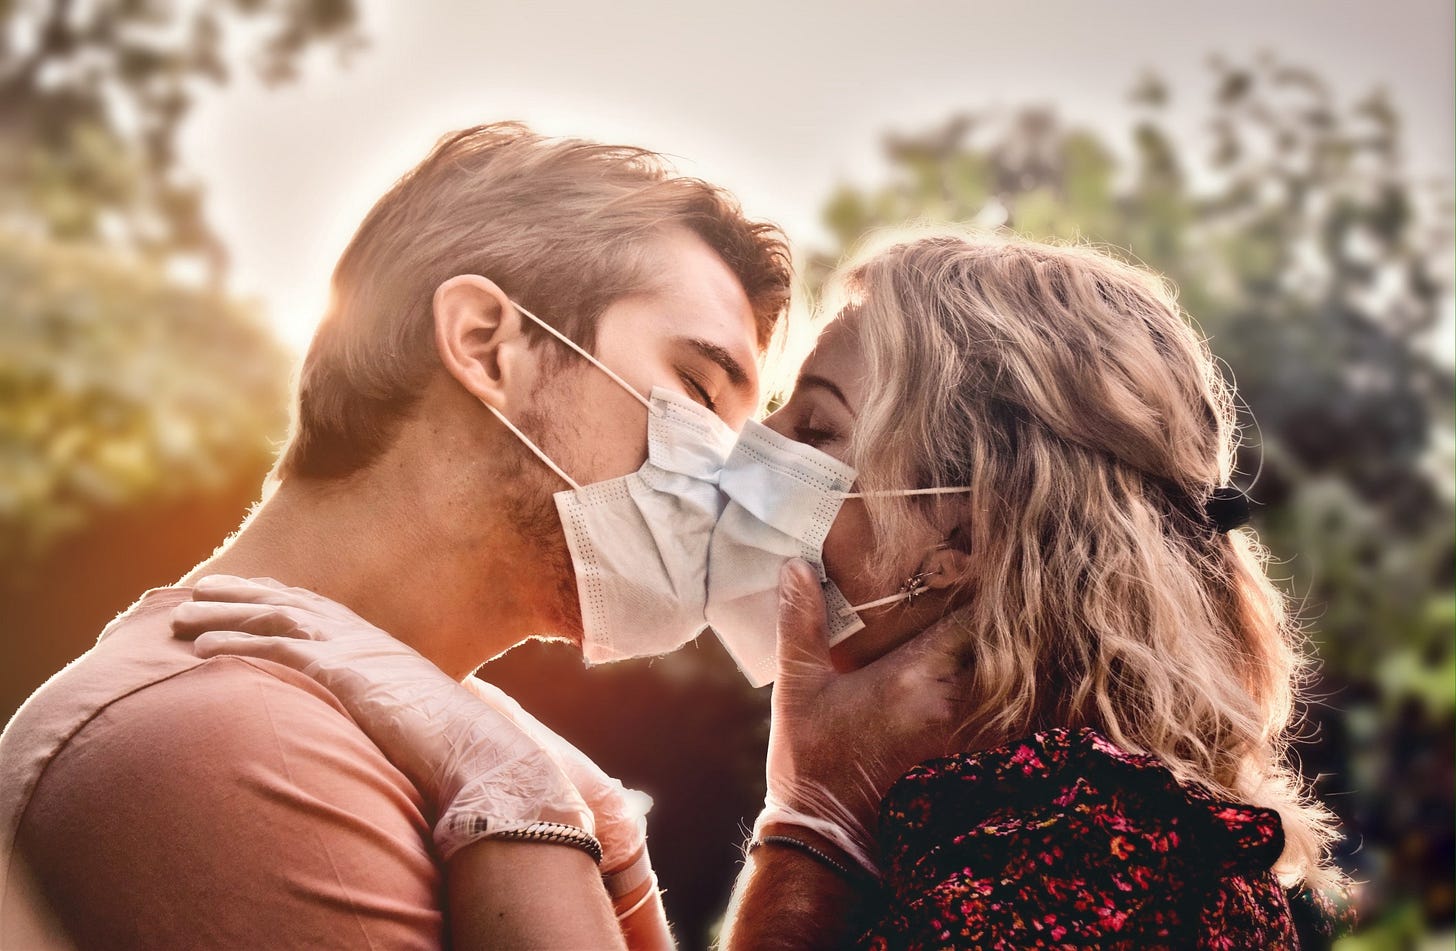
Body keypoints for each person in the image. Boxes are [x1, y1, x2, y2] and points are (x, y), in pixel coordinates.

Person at [175, 229, 1352, 949]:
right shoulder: (988, 816)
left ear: (963, 532)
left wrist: (507, 786)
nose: (748, 458)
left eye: (818, 429)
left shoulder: (1079, 854)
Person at [1, 121, 814, 948]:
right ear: (486, 344)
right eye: (699, 391)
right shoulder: (239, 742)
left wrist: (611, 847)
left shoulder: (352, 729)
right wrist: (519, 791)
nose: (730, 484)